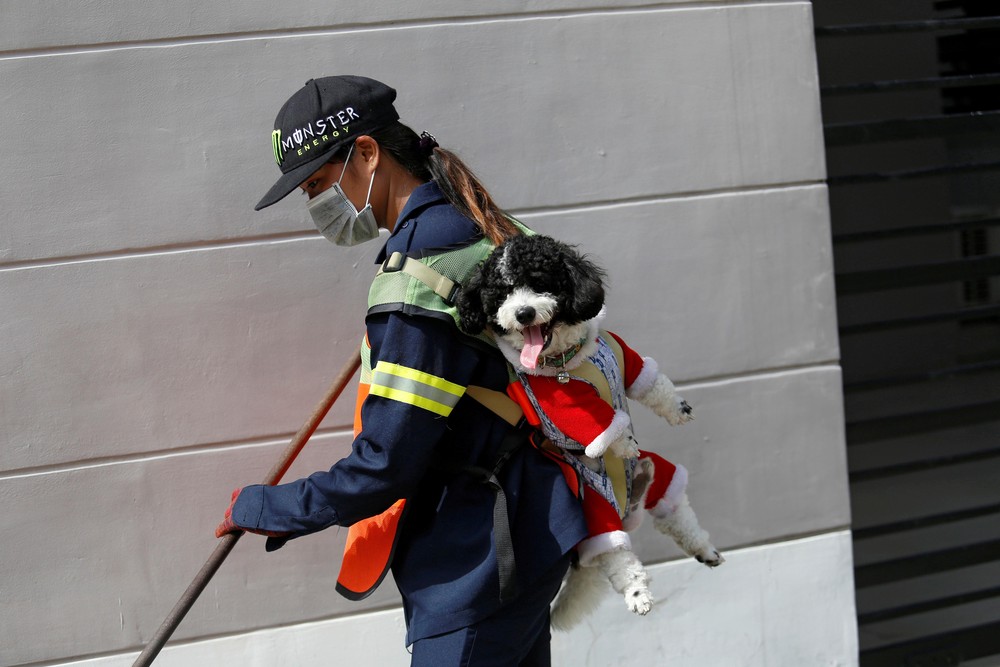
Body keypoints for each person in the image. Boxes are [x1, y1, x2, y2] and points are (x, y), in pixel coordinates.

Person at [215, 75, 588, 666]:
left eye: (317, 184)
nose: (317, 206)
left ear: (367, 154)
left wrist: (266, 508)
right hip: (535, 527)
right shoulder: (476, 224)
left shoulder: (419, 274)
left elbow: (385, 465)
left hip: (476, 563)